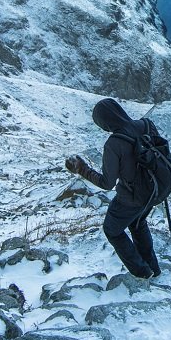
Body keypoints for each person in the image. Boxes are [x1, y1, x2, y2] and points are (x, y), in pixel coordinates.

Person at [65, 98, 163, 279]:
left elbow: (107, 183)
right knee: (138, 223)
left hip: (131, 197)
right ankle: (153, 268)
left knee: (112, 229)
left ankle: (142, 272)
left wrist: (82, 169)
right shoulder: (147, 125)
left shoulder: (113, 144)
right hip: (155, 191)